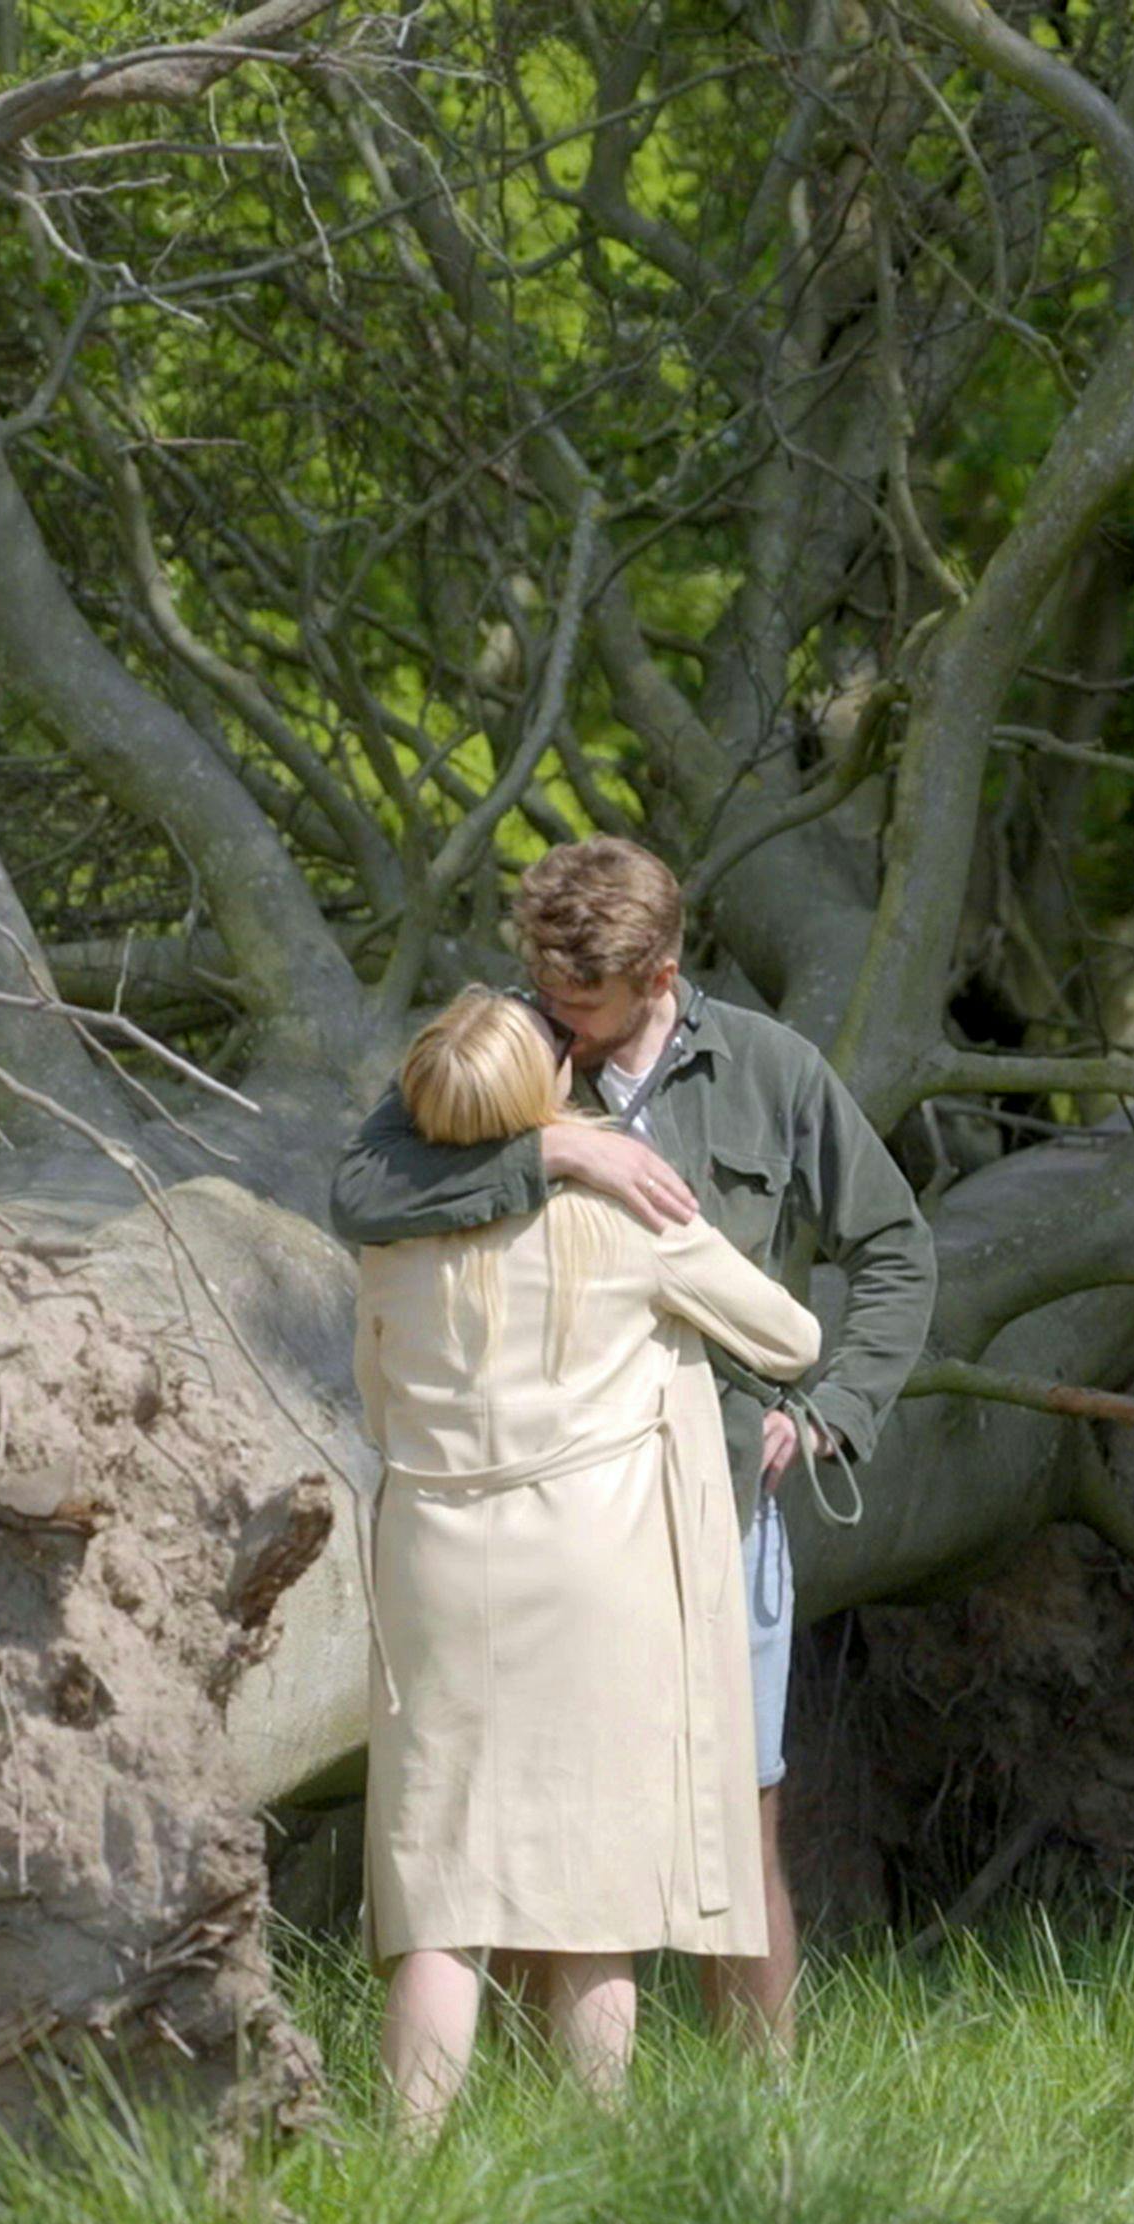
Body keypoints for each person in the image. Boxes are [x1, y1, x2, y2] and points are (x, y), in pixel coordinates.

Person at [332, 837, 935, 2054]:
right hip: (544, 1520)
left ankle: (759, 2106)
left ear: (660, 971)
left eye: (584, 1001)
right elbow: (362, 1196)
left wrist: (829, 1414)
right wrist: (551, 1147)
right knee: (519, 1833)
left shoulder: (769, 1070)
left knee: (733, 1809)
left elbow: (895, 1251)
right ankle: (529, 2124)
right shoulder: (502, 1057)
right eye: (545, 990)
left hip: (716, 1498)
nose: (559, 1018)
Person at [355, 989, 825, 2134]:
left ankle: (399, 2163)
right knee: (593, 1888)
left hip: (430, 1565)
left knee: (438, 1890)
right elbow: (792, 1338)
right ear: (544, 1095)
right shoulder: (627, 1215)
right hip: (596, 1580)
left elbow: (374, 1400)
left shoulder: (391, 1240)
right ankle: (597, 2154)